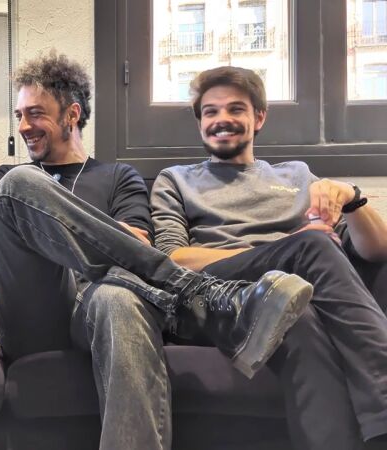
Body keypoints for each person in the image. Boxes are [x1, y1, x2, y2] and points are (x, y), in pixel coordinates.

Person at [0, 51, 313, 449]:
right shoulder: (7, 178)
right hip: (34, 309)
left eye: (35, 114)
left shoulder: (119, 177)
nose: (23, 126)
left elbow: (138, 246)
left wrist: (86, 234)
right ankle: (197, 293)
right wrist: (82, 226)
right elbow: (3, 249)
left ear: (71, 114)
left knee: (118, 297)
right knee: (19, 184)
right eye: (19, 115)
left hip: (96, 302)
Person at [150, 65, 387, 450]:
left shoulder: (298, 176)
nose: (221, 119)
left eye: (235, 109)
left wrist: (352, 196)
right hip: (217, 297)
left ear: (259, 117)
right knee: (311, 246)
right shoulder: (176, 179)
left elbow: (375, 250)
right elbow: (172, 258)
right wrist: (284, 251)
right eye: (210, 111)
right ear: (200, 123)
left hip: (291, 295)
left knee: (299, 313)